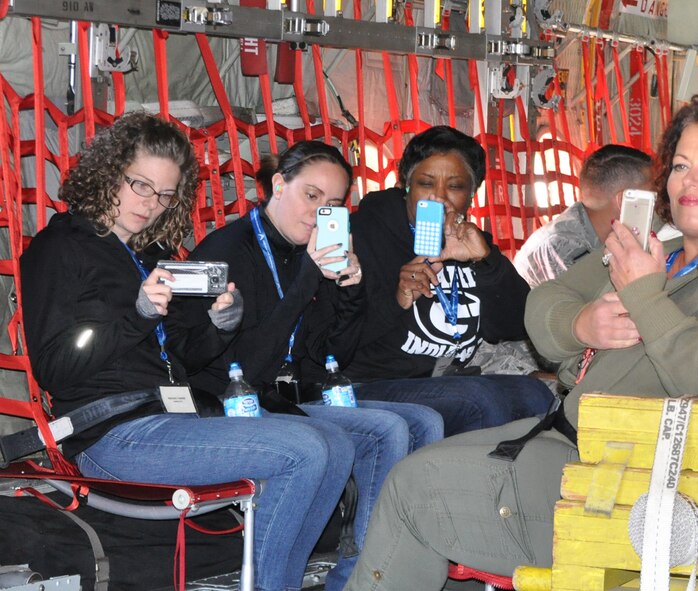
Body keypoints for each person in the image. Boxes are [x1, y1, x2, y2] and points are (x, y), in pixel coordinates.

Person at [343, 93, 698, 590]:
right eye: (682, 164)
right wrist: (582, 325)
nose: (689, 180)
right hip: (569, 445)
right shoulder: (655, 247)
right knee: (418, 474)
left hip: (634, 494)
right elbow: (544, 301)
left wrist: (645, 296)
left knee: (416, 491)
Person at [19, 112, 355, 591]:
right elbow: (56, 369)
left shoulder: (151, 254)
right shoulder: (60, 248)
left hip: (175, 416)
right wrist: (137, 316)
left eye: (164, 194)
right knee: (304, 451)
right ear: (108, 173)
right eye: (139, 185)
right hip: (110, 433)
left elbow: (182, 359)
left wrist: (221, 328)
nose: (150, 204)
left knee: (337, 444)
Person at [175, 140, 444, 590]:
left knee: (421, 422)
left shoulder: (308, 251)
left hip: (286, 398)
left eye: (334, 204)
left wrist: (351, 291)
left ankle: (363, 574)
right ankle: (320, 578)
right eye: (311, 195)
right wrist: (307, 283)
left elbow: (328, 356)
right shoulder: (230, 249)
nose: (319, 211)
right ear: (278, 185)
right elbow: (245, 366)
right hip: (226, 400)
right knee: (381, 432)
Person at [347, 125, 555, 436]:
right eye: (425, 184)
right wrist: (398, 297)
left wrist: (488, 263)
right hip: (371, 382)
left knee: (536, 394)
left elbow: (515, 327)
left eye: (455, 186)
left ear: (472, 194)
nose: (439, 198)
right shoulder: (364, 235)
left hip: (444, 377)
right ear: (406, 185)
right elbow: (338, 335)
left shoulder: (471, 241)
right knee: (479, 401)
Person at [513, 144, 653, 288]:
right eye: (652, 196)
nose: (657, 205)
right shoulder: (562, 247)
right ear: (624, 200)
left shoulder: (592, 229)